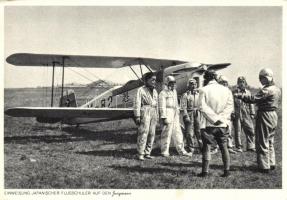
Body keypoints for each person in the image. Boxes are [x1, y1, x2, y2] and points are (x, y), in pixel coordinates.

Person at [234, 68, 281, 173]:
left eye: (261, 78)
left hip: (265, 114)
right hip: (274, 115)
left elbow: (253, 99)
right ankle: (271, 162)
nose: (260, 80)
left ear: (266, 78)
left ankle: (264, 166)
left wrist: (240, 96)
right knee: (270, 140)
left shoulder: (266, 90)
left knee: (262, 140)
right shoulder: (277, 89)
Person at [198, 70, 234, 177]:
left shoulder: (203, 90)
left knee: (207, 146)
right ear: (215, 78)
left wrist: (214, 119)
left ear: (206, 78)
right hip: (223, 124)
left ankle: (205, 172)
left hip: (209, 124)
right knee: (224, 147)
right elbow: (229, 106)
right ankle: (226, 171)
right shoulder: (226, 90)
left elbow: (202, 107)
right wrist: (221, 119)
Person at [158, 75, 192, 157]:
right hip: (167, 112)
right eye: (171, 83)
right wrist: (164, 117)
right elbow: (161, 106)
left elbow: (176, 104)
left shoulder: (174, 92)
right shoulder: (163, 93)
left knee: (178, 133)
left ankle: (181, 150)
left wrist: (177, 115)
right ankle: (164, 151)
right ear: (167, 84)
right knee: (167, 133)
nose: (173, 85)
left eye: (174, 83)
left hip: (175, 113)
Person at [133, 72, 158, 161]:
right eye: (152, 80)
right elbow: (137, 103)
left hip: (153, 111)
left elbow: (157, 104)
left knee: (152, 133)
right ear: (147, 80)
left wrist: (157, 115)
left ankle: (148, 152)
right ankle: (140, 153)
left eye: (155, 80)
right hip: (145, 110)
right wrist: (137, 116)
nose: (154, 82)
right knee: (143, 132)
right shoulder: (141, 90)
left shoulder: (155, 90)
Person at [233, 76, 256, 152]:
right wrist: (232, 112)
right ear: (238, 83)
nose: (241, 84)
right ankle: (239, 147)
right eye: (240, 82)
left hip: (246, 113)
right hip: (237, 112)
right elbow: (231, 103)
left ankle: (251, 146)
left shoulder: (248, 92)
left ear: (245, 83)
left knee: (250, 129)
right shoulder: (234, 92)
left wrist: (252, 113)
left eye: (243, 82)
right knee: (238, 131)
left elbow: (251, 103)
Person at [181, 78, 203, 153]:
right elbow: (183, 107)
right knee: (189, 132)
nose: (193, 85)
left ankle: (202, 147)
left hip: (198, 113)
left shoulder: (198, 94)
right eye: (191, 84)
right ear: (188, 85)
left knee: (199, 131)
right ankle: (191, 148)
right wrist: (186, 116)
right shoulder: (185, 95)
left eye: (195, 84)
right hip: (189, 113)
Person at [217, 75, 237, 154]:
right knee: (218, 130)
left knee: (229, 130)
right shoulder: (217, 91)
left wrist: (232, 112)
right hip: (220, 114)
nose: (224, 84)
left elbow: (231, 103)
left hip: (228, 114)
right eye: (223, 82)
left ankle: (229, 146)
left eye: (225, 82)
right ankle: (217, 146)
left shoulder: (229, 91)